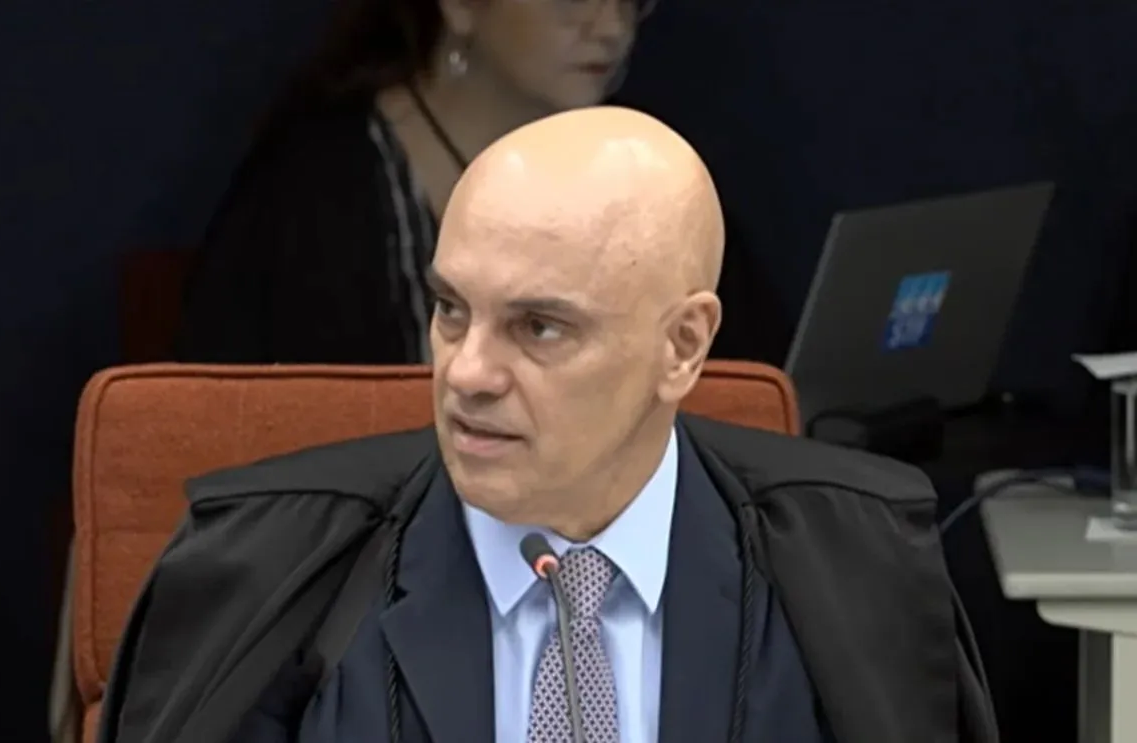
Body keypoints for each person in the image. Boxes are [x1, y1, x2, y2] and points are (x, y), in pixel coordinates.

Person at [100, 108, 998, 743]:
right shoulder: (260, 572)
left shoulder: (863, 566)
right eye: (451, 310)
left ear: (682, 347)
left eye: (539, 327)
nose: (467, 372)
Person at [174, 0, 651, 365]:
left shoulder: (641, 170)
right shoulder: (320, 189)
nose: (613, 27)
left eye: (630, 0)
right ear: (460, 6)